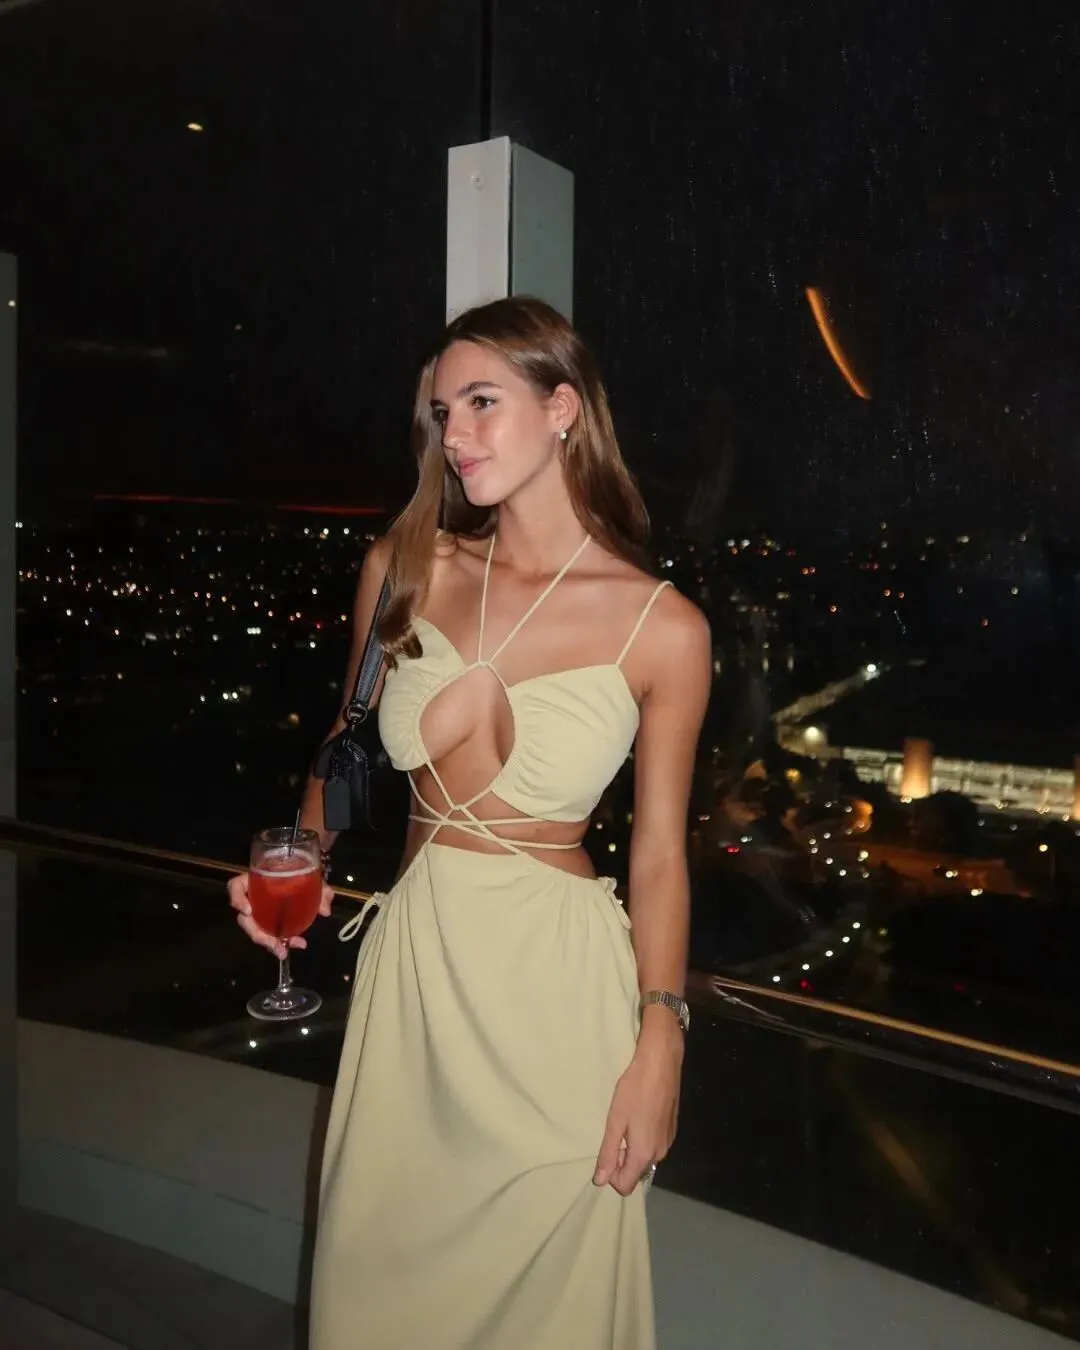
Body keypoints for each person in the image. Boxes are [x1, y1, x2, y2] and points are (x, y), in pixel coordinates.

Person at [229, 296, 711, 1349]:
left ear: (563, 409)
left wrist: (660, 1040)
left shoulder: (664, 627)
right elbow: (348, 746)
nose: (455, 435)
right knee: (374, 1291)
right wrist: (298, 860)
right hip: (419, 983)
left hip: (561, 1006)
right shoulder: (408, 568)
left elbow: (660, 858)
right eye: (443, 412)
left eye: (483, 403)